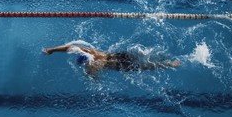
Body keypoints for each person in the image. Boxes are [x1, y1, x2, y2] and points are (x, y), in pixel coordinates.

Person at [42, 43, 180, 78]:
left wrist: (92, 78)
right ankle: (165, 59)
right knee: (145, 56)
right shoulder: (93, 52)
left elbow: (95, 79)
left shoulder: (91, 67)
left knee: (145, 67)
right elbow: (70, 47)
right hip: (121, 55)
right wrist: (52, 49)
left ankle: (169, 64)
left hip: (121, 66)